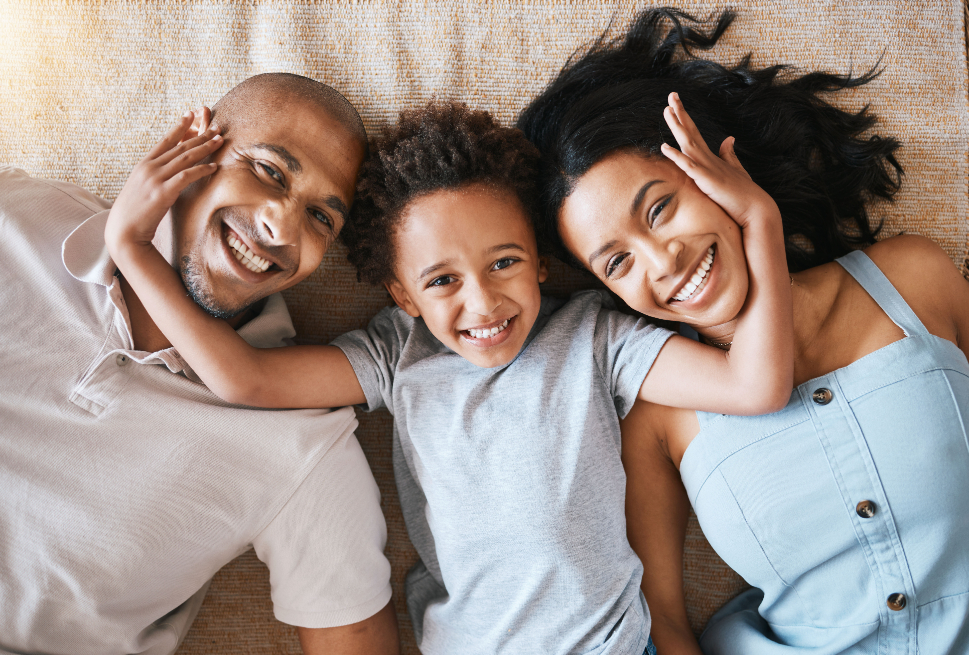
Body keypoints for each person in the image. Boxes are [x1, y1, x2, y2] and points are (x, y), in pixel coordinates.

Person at [103, 76, 793, 650]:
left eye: (504, 263)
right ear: (401, 295)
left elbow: (756, 382)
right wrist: (132, 247)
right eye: (441, 281)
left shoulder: (596, 339)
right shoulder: (394, 354)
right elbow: (245, 378)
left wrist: (759, 220)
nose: (483, 301)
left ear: (541, 264)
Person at [517, 7, 969, 654]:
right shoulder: (657, 414)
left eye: (661, 207)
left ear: (713, 164)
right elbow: (660, 622)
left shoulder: (915, 279)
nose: (662, 261)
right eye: (617, 262)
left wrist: (757, 213)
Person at [0, 73, 399, 655]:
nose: (280, 226)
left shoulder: (305, 444)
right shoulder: (16, 215)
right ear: (197, 140)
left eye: (321, 219)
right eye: (267, 170)